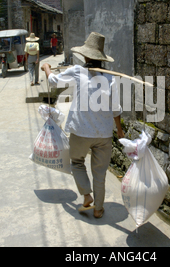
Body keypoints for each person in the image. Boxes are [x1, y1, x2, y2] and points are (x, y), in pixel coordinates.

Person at [41, 32, 124, 219]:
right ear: (101, 59)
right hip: (103, 134)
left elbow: (54, 81)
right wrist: (119, 130)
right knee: (100, 174)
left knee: (77, 162)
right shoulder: (110, 78)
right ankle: (98, 210)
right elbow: (116, 109)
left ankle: (86, 194)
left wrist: (46, 68)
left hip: (80, 131)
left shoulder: (77, 71)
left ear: (85, 55)